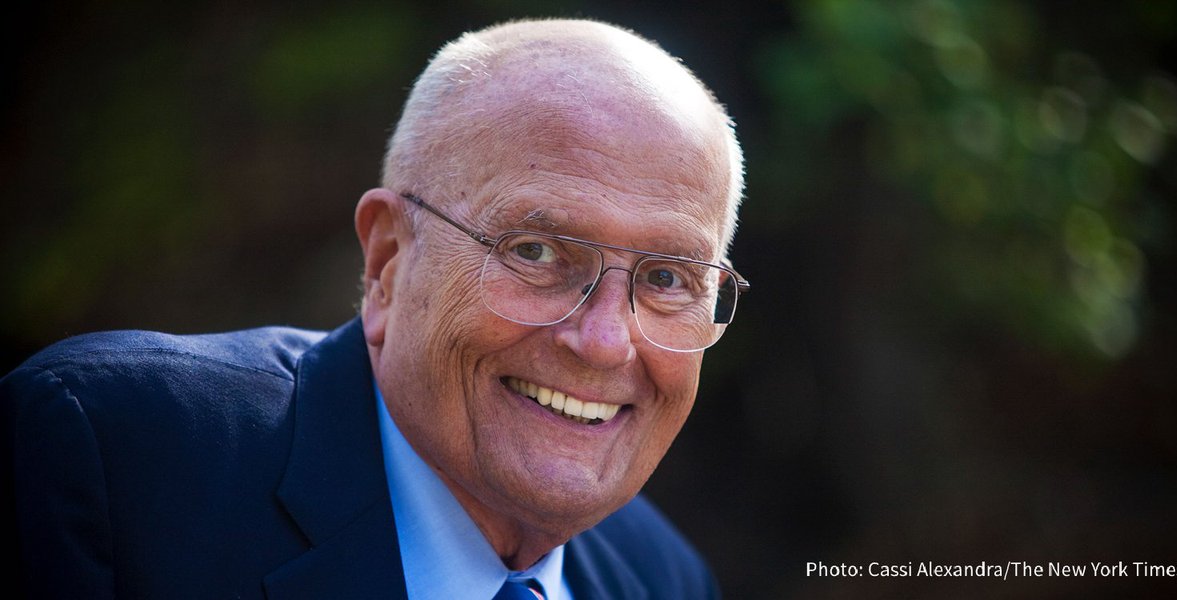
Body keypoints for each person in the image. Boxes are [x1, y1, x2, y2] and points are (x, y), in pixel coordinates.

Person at [1, 18, 748, 599]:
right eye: (536, 252)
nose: (606, 340)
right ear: (388, 259)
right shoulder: (107, 459)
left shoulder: (663, 577)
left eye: (667, 278)